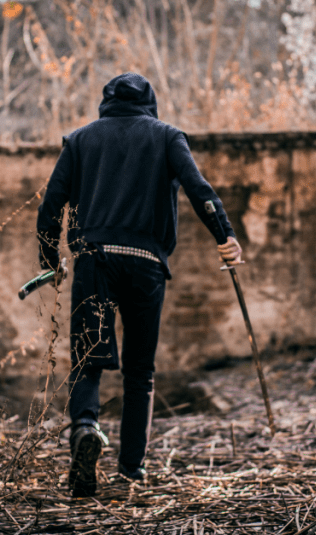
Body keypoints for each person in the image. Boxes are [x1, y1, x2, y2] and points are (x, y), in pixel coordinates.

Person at [36, 72, 242, 498]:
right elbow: (198, 189)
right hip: (147, 263)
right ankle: (131, 467)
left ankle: (85, 429)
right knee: (140, 370)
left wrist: (50, 259)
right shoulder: (167, 136)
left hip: (94, 260)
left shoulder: (80, 140)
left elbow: (50, 204)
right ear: (149, 102)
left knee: (87, 360)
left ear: (106, 100)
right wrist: (225, 236)